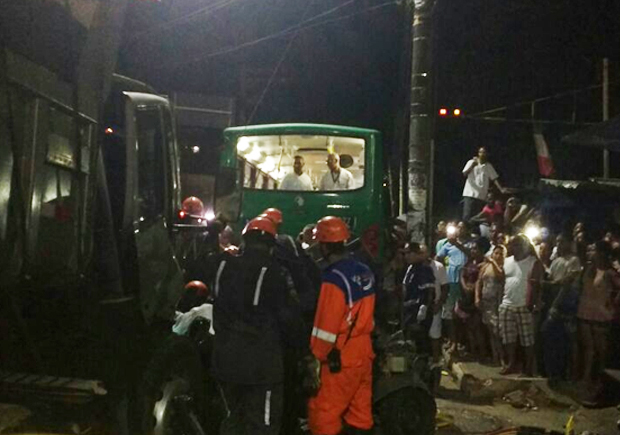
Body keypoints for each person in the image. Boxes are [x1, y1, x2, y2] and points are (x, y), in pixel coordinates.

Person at [211, 216, 306, 435]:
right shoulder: (276, 273)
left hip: (225, 361)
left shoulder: (223, 265)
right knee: (262, 425)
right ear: (272, 246)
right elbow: (290, 320)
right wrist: (303, 354)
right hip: (262, 369)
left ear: (244, 240)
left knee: (232, 420)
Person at [308, 216, 375, 435]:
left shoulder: (333, 279)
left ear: (325, 245)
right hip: (364, 352)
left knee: (323, 414)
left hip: (341, 357)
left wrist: (316, 357)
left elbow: (325, 328)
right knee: (360, 414)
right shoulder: (364, 270)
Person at [498, 235, 543, 376]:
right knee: (508, 338)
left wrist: (536, 304)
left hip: (524, 305)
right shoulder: (507, 261)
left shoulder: (533, 262)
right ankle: (511, 364)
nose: (513, 247)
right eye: (511, 245)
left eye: (516, 245)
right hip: (507, 304)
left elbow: (538, 286)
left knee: (527, 340)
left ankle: (528, 368)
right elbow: (502, 283)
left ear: (524, 246)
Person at [541, 234, 581, 384]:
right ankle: (554, 372)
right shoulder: (556, 261)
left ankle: (570, 374)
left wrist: (555, 302)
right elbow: (552, 281)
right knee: (553, 340)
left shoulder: (574, 260)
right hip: (554, 302)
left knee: (568, 341)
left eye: (561, 241)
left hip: (566, 305)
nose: (558, 244)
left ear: (569, 243)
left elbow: (566, 284)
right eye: (557, 241)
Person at [577, 240, 617, 389]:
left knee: (601, 351)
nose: (592, 253)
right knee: (589, 349)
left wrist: (611, 303)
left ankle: (601, 380)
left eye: (594, 250)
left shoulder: (611, 273)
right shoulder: (588, 269)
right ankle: (587, 378)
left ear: (602, 253)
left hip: (602, 316)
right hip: (586, 313)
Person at [436, 221, 470, 353]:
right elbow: (438, 257)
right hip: (451, 282)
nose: (460, 230)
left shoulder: (470, 243)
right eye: (458, 228)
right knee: (449, 313)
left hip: (464, 283)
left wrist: (457, 244)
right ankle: (453, 341)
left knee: (462, 314)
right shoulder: (448, 244)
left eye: (463, 227)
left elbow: (471, 253)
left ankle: (463, 342)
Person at [401, 242, 436, 353]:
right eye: (405, 253)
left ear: (417, 253)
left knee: (419, 341)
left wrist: (424, 307)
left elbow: (429, 291)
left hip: (418, 311)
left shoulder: (424, 269)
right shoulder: (411, 268)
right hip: (409, 310)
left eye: (409, 253)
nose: (406, 256)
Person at [476, 245, 506, 366]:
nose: (497, 256)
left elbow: (500, 276)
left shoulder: (503, 267)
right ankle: (495, 357)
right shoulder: (485, 267)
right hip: (486, 302)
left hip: (497, 303)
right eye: (496, 253)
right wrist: (477, 297)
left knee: (498, 331)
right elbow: (479, 282)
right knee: (491, 331)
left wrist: (493, 262)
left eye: (500, 254)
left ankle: (503, 358)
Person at [420, 244, 449, 362]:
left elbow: (445, 287)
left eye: (423, 252)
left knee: (435, 334)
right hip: (419, 306)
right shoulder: (415, 267)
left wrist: (439, 303)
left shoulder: (438, 267)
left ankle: (436, 360)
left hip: (434, 305)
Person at [458, 239, 486, 359]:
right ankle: (472, 350)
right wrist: (465, 286)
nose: (473, 251)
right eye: (472, 248)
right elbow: (462, 274)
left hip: (477, 296)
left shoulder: (484, 263)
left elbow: (482, 280)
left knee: (477, 326)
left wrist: (473, 288)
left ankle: (482, 352)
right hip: (466, 296)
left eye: (476, 248)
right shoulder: (470, 262)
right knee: (468, 326)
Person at [461, 147, 504, 221]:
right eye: (481, 152)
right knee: (467, 217)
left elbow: (494, 178)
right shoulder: (471, 162)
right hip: (470, 194)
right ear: (478, 153)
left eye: (484, 153)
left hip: (481, 196)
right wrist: (472, 165)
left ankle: (474, 232)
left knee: (477, 218)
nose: (482, 154)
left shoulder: (488, 166)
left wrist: (501, 189)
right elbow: (464, 173)